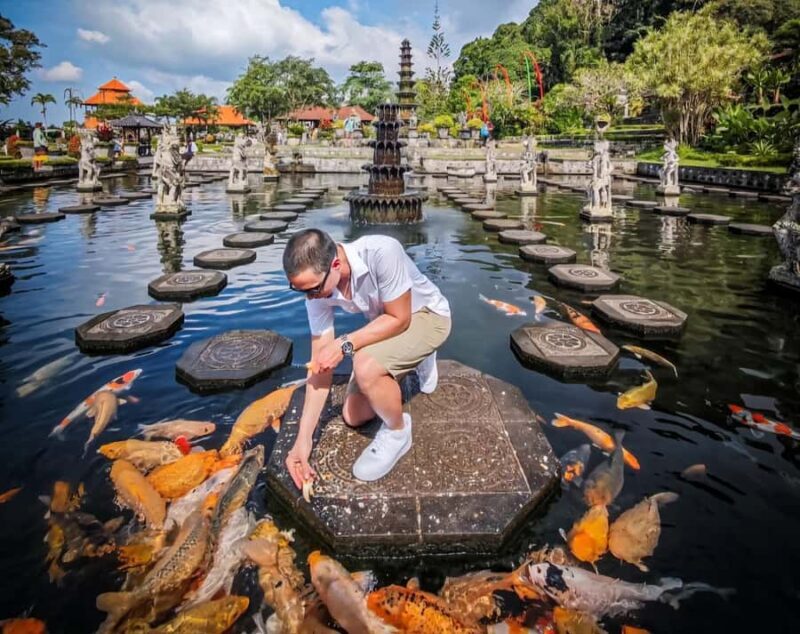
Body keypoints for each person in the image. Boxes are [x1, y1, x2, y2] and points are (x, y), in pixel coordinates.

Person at [283, 229, 451, 487]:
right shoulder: (317, 290)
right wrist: (302, 441)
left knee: (365, 364)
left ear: (335, 264)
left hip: (426, 316)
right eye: (302, 291)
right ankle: (405, 358)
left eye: (314, 289)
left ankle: (398, 432)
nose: (311, 298)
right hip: (386, 325)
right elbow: (319, 367)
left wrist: (344, 344)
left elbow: (400, 318)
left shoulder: (382, 251)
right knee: (354, 415)